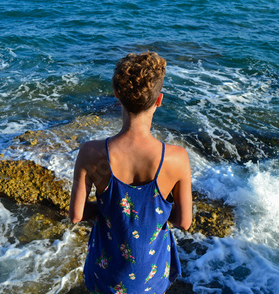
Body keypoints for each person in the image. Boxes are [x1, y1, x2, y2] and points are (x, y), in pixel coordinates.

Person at [69, 52, 192, 294]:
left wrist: (111, 209)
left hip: (107, 270)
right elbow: (183, 222)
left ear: (117, 96)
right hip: (151, 273)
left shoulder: (91, 152)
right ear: (159, 100)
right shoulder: (176, 158)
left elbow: (76, 214)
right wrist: (149, 214)